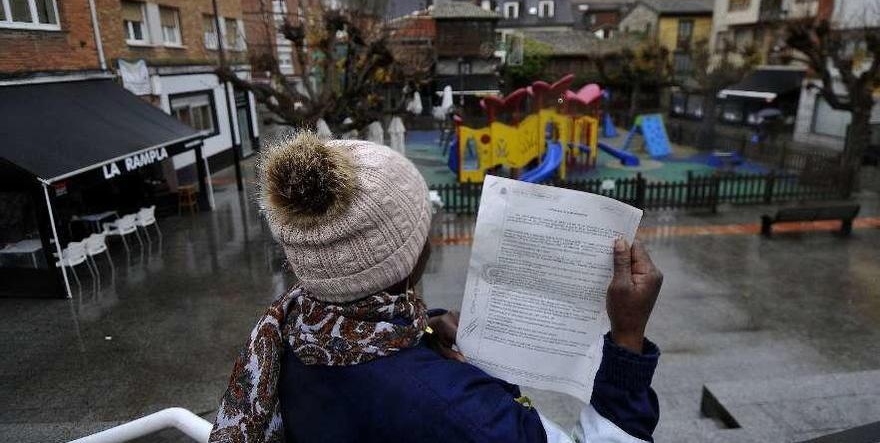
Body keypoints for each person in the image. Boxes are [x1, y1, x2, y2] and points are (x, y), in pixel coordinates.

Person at [209, 132, 663, 443]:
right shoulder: (462, 413)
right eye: (424, 225)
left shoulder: (285, 333)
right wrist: (626, 338)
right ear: (411, 259)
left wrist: (422, 328)